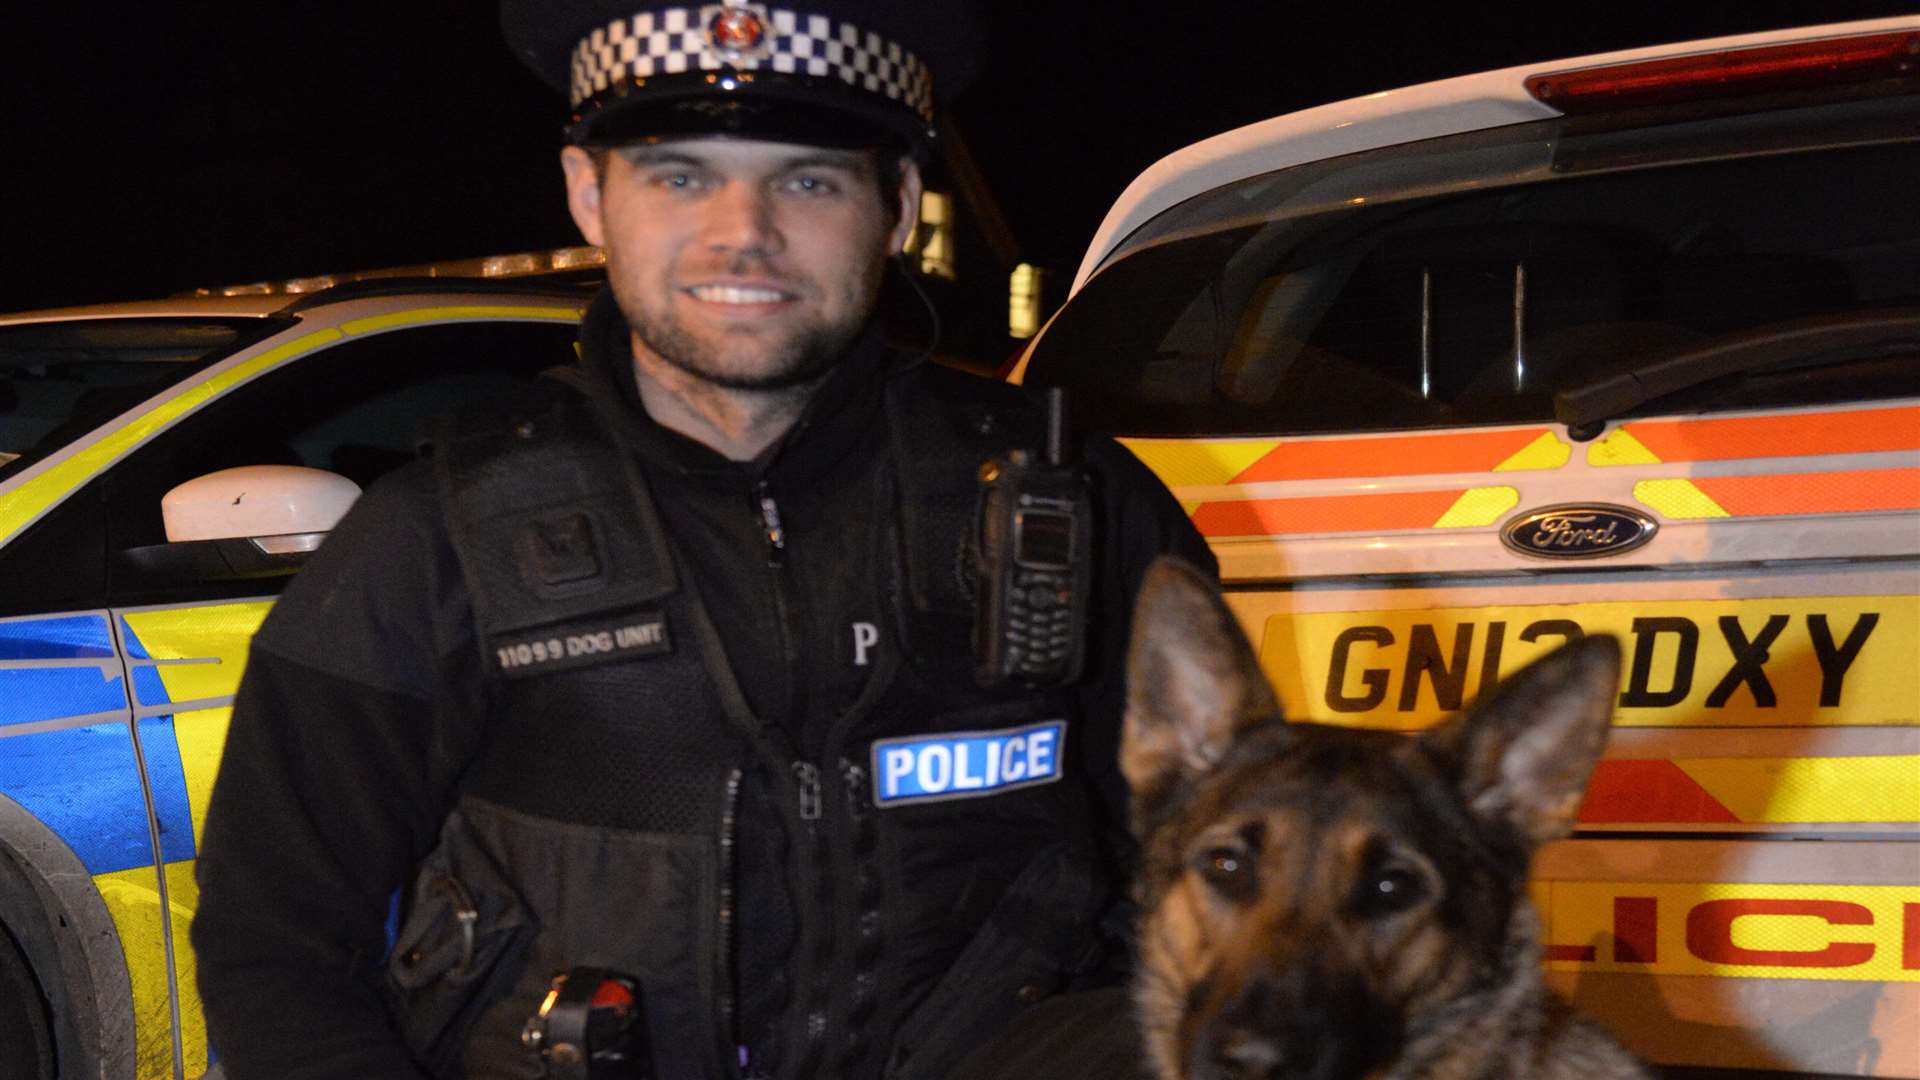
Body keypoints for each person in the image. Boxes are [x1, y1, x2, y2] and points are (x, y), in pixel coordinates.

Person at [190, 2, 1215, 1077]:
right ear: (590, 194)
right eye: (679, 175)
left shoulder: (1075, 504)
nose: (744, 232)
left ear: (900, 205)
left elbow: (1228, 869)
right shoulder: (433, 535)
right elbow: (277, 941)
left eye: (809, 180)